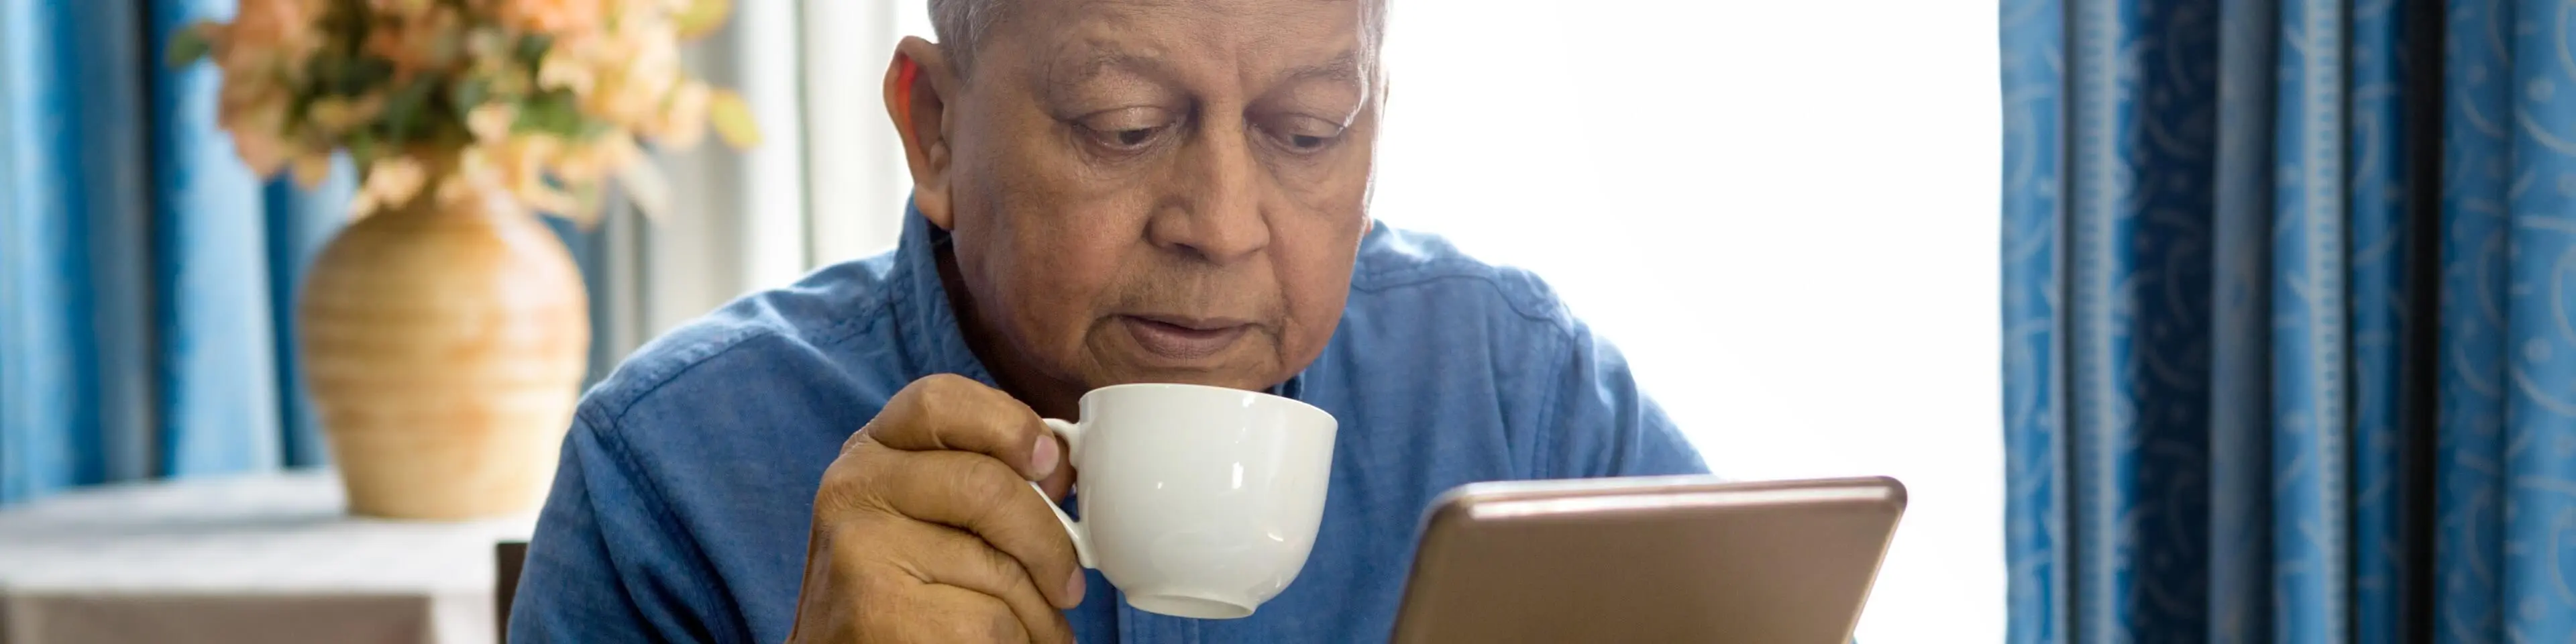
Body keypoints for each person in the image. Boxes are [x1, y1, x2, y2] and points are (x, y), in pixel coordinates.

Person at [506, 0, 1707, 641]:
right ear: (933, 129)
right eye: (1123, 125)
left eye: (1307, 131)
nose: (1223, 223)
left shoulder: (1520, 395)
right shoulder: (669, 474)